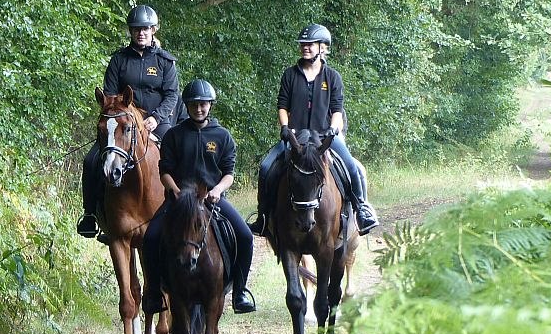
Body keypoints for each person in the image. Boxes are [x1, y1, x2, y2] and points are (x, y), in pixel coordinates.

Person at [248, 23, 380, 236]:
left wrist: (333, 130)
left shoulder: (333, 77)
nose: (305, 47)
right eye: (303, 44)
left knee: (352, 167)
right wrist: (284, 127)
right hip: (296, 137)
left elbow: (337, 109)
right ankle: (263, 217)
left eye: (310, 44)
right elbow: (283, 105)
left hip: (324, 136)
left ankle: (362, 209)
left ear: (322, 47)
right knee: (265, 167)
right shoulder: (290, 75)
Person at [142, 79, 256, 314]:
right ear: (187, 106)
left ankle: (239, 292)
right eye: (194, 105)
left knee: (245, 236)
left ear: (210, 105)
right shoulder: (174, 135)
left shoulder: (222, 136)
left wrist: (217, 190)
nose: (199, 109)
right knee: (151, 237)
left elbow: (229, 173)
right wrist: (174, 190)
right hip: (179, 202)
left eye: (203, 104)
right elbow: (164, 171)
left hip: (213, 200)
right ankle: (154, 292)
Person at [77, 5, 182, 240]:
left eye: (145, 29)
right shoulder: (119, 60)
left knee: (178, 158)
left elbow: (172, 95)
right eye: (136, 29)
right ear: (131, 32)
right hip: (122, 122)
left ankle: (180, 212)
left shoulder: (165, 62)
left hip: (158, 121)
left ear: (153, 29)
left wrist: (155, 118)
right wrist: (123, 117)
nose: (140, 33)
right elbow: (109, 96)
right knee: (92, 160)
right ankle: (92, 215)